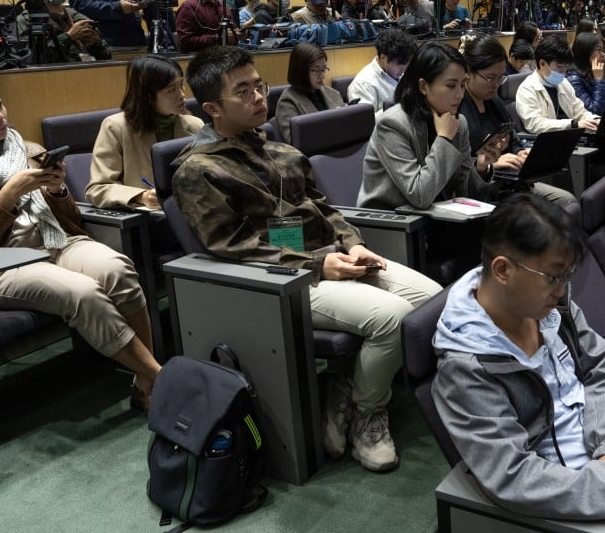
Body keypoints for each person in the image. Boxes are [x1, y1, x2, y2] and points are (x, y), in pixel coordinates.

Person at [172, 45, 440, 472]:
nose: (258, 97)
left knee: (433, 299)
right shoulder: (198, 170)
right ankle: (367, 412)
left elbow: (325, 208)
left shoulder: (281, 152)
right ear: (211, 109)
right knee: (393, 318)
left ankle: (344, 388)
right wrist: (317, 266)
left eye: (259, 86)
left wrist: (353, 243)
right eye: (242, 91)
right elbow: (232, 246)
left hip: (329, 260)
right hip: (279, 281)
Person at [432, 193, 605, 520]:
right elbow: (513, 476)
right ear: (503, 270)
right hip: (573, 494)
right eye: (554, 277)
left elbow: (602, 368)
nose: (562, 289)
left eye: (568, 276)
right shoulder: (466, 368)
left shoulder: (551, 307)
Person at [0, 77, 161, 410]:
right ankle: (160, 378)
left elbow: (72, 219)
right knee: (83, 292)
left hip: (59, 241)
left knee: (118, 268)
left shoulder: (26, 150)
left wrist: (57, 191)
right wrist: (10, 193)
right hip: (5, 263)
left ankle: (144, 383)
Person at [358, 41, 498, 211]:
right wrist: (444, 139)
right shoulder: (393, 124)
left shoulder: (458, 122)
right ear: (423, 86)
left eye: (462, 85)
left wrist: (480, 169)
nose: (460, 94)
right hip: (395, 220)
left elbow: (465, 194)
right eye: (451, 86)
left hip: (440, 216)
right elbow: (419, 196)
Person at [457, 35, 575, 206]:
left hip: (509, 181)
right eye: (490, 78)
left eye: (501, 77)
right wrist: (489, 165)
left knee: (568, 201)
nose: (496, 84)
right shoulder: (458, 108)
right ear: (468, 72)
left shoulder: (494, 101)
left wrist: (519, 151)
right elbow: (458, 166)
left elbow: (511, 136)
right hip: (483, 187)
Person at [86, 55, 202, 210]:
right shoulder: (115, 127)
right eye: (172, 90)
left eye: (181, 85)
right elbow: (98, 188)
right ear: (148, 96)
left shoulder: (195, 125)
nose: (182, 94)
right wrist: (141, 196)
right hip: (149, 217)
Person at [515, 35, 599, 134]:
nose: (563, 71)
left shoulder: (564, 83)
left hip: (572, 136)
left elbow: (580, 111)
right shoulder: (527, 89)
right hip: (548, 140)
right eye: (559, 66)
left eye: (566, 66)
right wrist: (572, 124)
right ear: (542, 64)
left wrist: (595, 120)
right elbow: (535, 124)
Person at [15, 0, 111, 63]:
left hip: (86, 73)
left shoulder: (77, 17)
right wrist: (68, 37)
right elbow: (30, 59)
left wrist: (94, 44)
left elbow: (106, 57)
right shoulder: (27, 20)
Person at [273, 43, 345, 142]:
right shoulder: (287, 102)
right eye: (316, 70)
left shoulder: (334, 93)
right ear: (300, 71)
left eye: (323, 69)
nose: (322, 75)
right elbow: (296, 143)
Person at [347, 27, 415, 112]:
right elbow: (364, 118)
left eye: (407, 64)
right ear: (383, 58)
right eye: (400, 65)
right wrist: (397, 109)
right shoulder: (363, 84)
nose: (404, 70)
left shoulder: (401, 72)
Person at [566, 32, 605, 115]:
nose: (603, 54)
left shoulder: (592, 71)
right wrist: (598, 80)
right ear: (585, 51)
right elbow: (594, 111)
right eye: (598, 50)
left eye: (603, 50)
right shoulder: (573, 78)